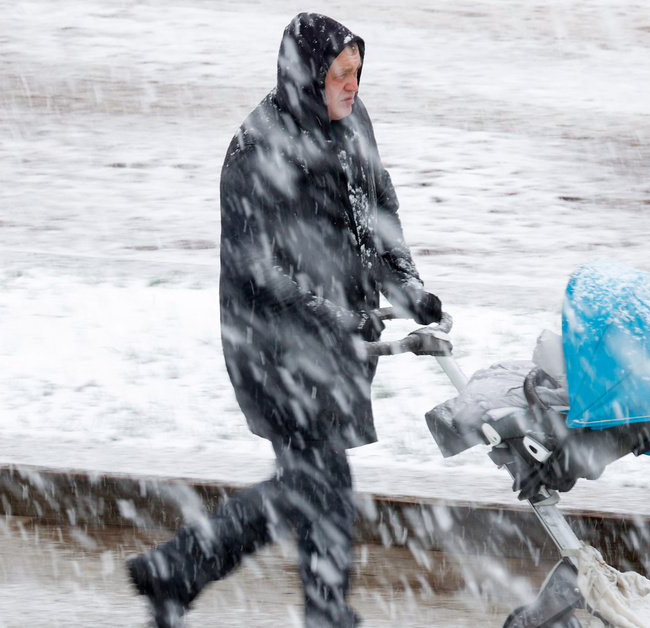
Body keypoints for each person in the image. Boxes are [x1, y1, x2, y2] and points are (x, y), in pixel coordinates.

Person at [125, 13, 442, 628]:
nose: (352, 87)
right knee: (319, 483)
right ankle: (320, 610)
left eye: (357, 73)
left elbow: (379, 211)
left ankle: (181, 570)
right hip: (271, 345)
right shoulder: (257, 146)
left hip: (334, 342)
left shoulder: (353, 123)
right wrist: (335, 316)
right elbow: (258, 268)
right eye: (339, 75)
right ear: (306, 76)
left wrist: (411, 289)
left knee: (313, 483)